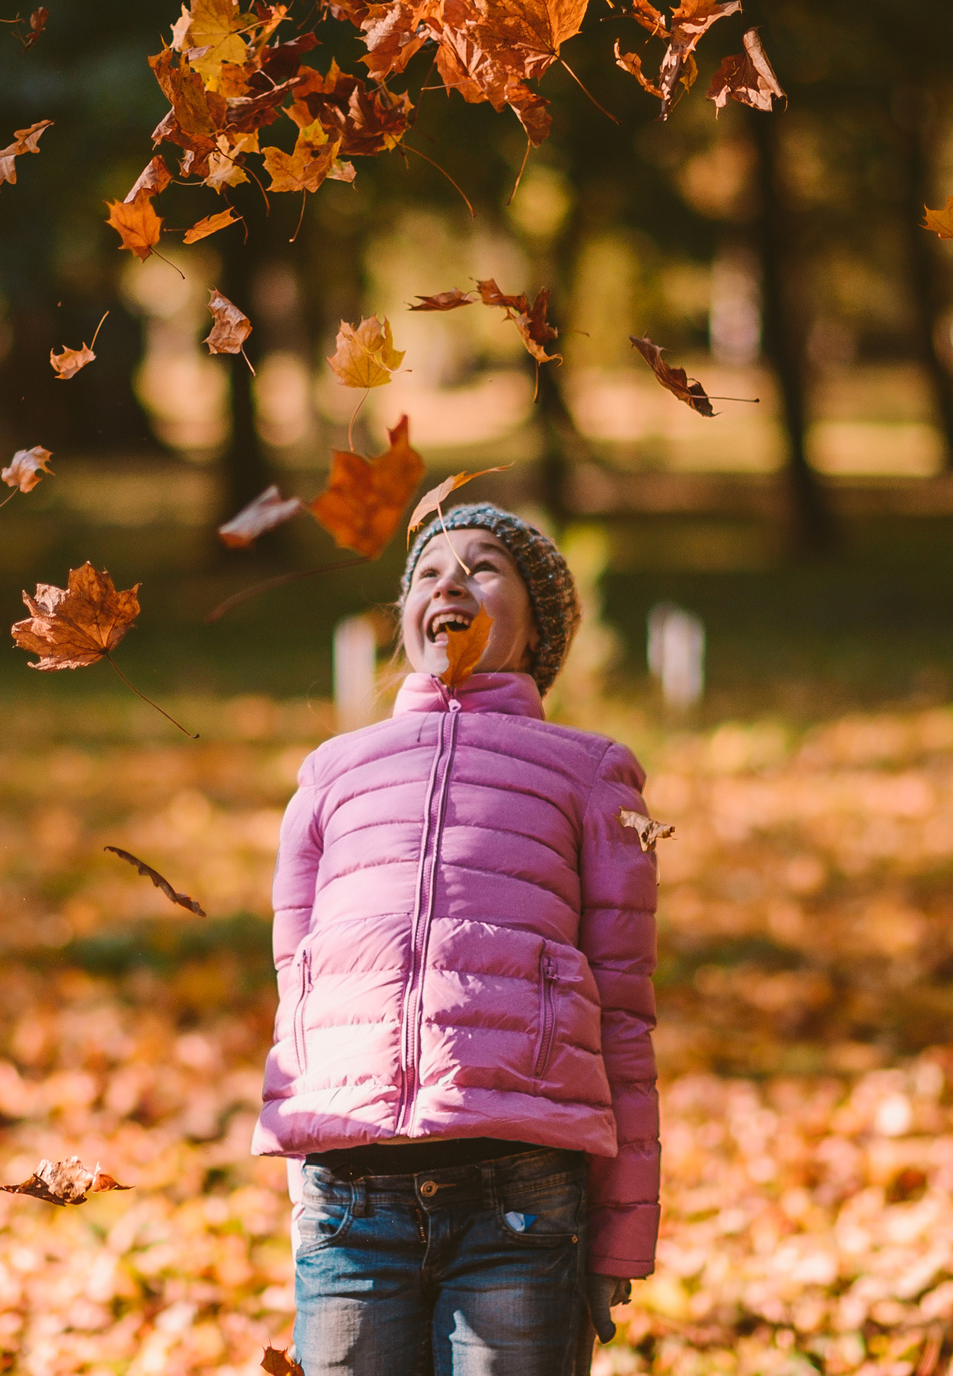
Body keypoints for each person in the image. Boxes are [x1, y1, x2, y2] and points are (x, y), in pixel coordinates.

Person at [258, 505, 662, 1376]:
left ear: (537, 625)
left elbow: (625, 1016)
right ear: (405, 617)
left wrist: (620, 1237)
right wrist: (300, 1176)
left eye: (484, 568)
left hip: (519, 1199)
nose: (450, 581)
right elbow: (296, 983)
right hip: (350, 1203)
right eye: (428, 571)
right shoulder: (332, 774)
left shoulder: (591, 774)